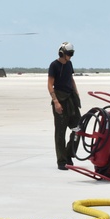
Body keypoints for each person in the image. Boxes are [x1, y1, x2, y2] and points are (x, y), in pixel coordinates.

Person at [47, 41, 81, 170]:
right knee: (60, 132)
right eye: (69, 54)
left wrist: (76, 94)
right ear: (62, 53)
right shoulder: (54, 65)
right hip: (60, 99)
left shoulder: (69, 64)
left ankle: (69, 154)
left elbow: (71, 80)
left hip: (71, 99)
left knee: (79, 128)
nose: (70, 56)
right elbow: (50, 84)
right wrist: (56, 102)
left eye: (72, 54)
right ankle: (61, 161)